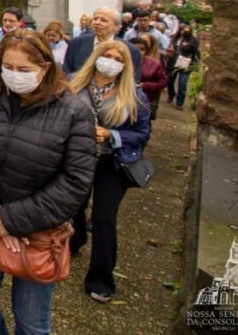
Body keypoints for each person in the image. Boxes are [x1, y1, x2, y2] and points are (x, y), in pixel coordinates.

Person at [0, 30, 96, 335]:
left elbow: (76, 181)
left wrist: (12, 219)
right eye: (9, 68)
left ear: (45, 68)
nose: (15, 76)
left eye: (24, 70)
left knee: (30, 320)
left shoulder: (73, 112)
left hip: (38, 227)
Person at [67, 40, 152, 303]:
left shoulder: (134, 95)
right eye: (107, 56)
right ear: (96, 57)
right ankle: (75, 240)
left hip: (112, 162)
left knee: (104, 219)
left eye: (118, 58)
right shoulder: (74, 84)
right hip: (79, 158)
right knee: (74, 207)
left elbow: (141, 134)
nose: (111, 61)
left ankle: (100, 278)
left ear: (125, 65)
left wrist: (112, 134)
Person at [63, 7, 142, 83]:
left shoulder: (130, 50)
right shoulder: (76, 43)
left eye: (103, 20)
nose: (97, 22)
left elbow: (133, 80)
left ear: (116, 26)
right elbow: (66, 72)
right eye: (95, 19)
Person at [135, 33, 168, 118]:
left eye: (142, 49)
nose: (139, 51)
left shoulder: (155, 64)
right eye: (136, 48)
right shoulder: (123, 61)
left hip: (145, 100)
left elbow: (162, 83)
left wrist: (145, 85)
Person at [170, 26, 200, 109]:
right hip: (174, 62)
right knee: (169, 80)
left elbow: (196, 53)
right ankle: (171, 94)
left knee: (182, 83)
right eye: (183, 30)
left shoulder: (193, 40)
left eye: (187, 31)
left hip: (186, 64)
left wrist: (193, 64)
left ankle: (179, 103)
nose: (184, 32)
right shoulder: (176, 38)